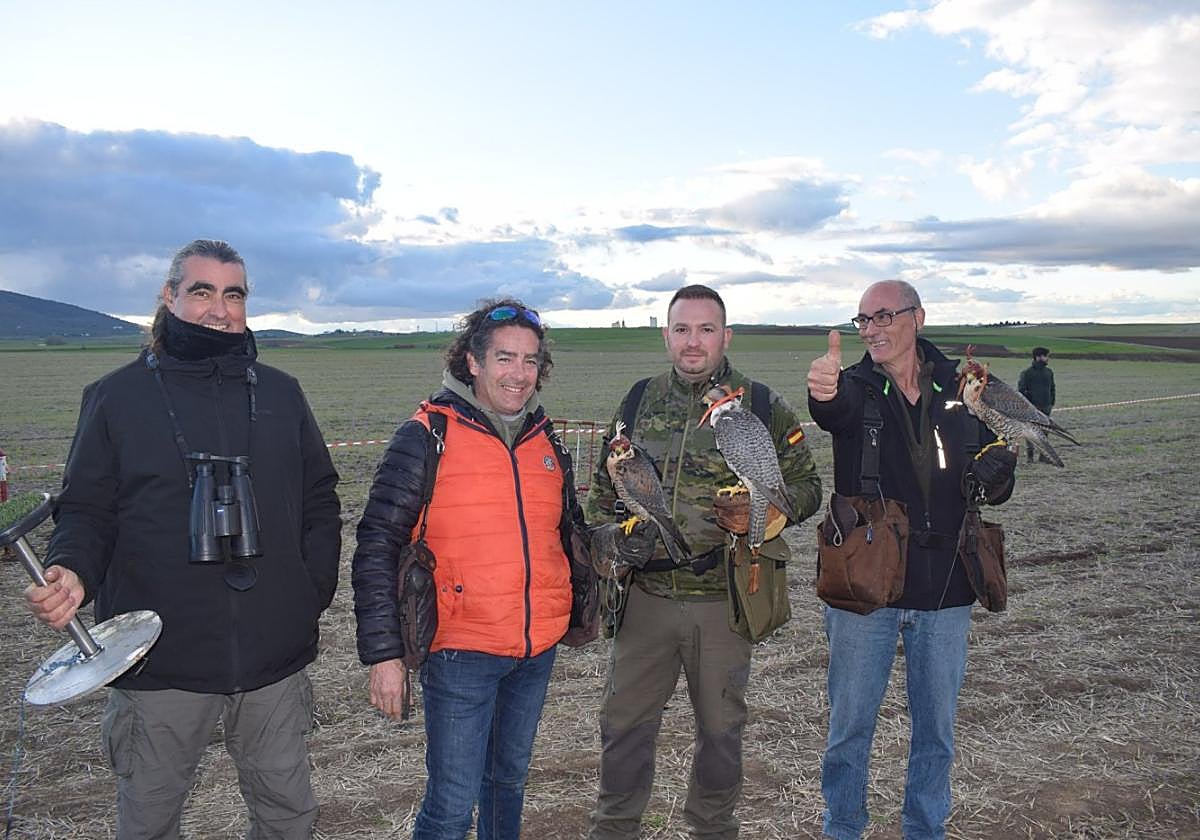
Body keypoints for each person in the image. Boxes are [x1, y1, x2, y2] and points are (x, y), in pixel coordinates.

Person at [24, 239, 342, 839]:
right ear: (169, 297)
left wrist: (309, 591)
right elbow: (87, 509)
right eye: (201, 291)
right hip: (157, 659)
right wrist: (71, 568)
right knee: (149, 819)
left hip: (272, 656)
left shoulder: (280, 393)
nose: (219, 309)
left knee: (288, 814)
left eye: (233, 294)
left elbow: (320, 499)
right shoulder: (116, 397)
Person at [587, 284, 822, 840]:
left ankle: (713, 830)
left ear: (726, 336)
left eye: (706, 329)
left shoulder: (761, 405)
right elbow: (603, 485)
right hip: (644, 598)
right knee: (623, 728)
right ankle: (614, 830)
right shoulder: (638, 400)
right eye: (683, 329)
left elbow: (808, 485)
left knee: (720, 732)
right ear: (667, 336)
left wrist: (765, 521)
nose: (694, 342)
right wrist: (609, 547)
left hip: (722, 597)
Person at [352, 298, 587, 840]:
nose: (519, 375)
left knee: (507, 783)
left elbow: (562, 529)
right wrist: (384, 654)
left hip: (534, 647)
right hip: (462, 651)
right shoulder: (427, 433)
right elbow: (376, 543)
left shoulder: (544, 438)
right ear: (473, 362)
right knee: (452, 806)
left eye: (530, 361)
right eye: (504, 359)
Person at [806, 280, 1017, 840]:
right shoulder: (854, 387)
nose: (870, 329)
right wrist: (821, 391)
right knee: (849, 730)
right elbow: (831, 410)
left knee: (936, 734)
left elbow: (994, 468)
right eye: (861, 321)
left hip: (947, 586)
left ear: (917, 317)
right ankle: (843, 828)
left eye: (882, 316)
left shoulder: (964, 387)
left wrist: (1001, 477)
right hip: (866, 587)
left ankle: (925, 830)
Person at [1018, 347, 1056, 463]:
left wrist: (1051, 402)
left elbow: (1052, 388)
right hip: (1032, 408)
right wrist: (1029, 404)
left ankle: (1043, 456)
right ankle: (1030, 456)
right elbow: (1021, 390)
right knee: (1031, 432)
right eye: (1045, 356)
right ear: (1038, 357)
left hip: (1046, 407)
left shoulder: (1049, 372)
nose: (1047, 358)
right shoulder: (1027, 373)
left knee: (1044, 432)